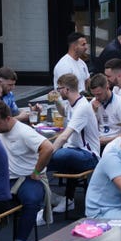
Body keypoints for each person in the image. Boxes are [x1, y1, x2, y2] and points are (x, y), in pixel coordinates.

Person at [0, 101, 54, 241]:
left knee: (31, 200)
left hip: (28, 178)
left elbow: (48, 148)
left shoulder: (24, 132)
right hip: (7, 178)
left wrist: (36, 171)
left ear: (8, 119)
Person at [48, 73, 100, 211]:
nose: (59, 91)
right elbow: (64, 112)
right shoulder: (73, 103)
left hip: (89, 155)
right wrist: (56, 100)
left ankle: (49, 196)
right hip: (75, 150)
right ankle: (58, 197)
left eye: (59, 89)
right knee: (48, 153)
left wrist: (47, 153)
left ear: (66, 89)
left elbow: (64, 137)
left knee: (59, 154)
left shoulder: (82, 107)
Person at [88, 73, 121, 147]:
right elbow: (89, 128)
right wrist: (94, 112)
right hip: (97, 143)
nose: (96, 98)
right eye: (94, 95)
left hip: (116, 143)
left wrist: (107, 141)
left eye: (99, 94)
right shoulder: (93, 103)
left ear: (107, 88)